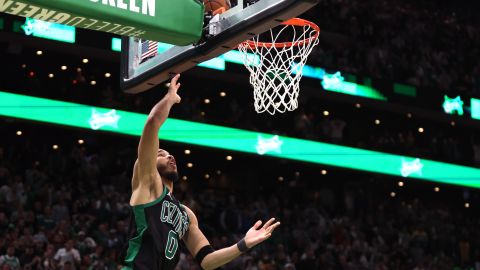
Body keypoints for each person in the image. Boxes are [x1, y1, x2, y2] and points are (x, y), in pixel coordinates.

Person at [121, 74, 280, 270]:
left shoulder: (186, 214)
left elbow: (207, 261)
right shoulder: (148, 183)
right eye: (162, 153)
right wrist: (170, 98)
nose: (170, 157)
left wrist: (243, 244)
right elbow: (152, 123)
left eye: (171, 155)